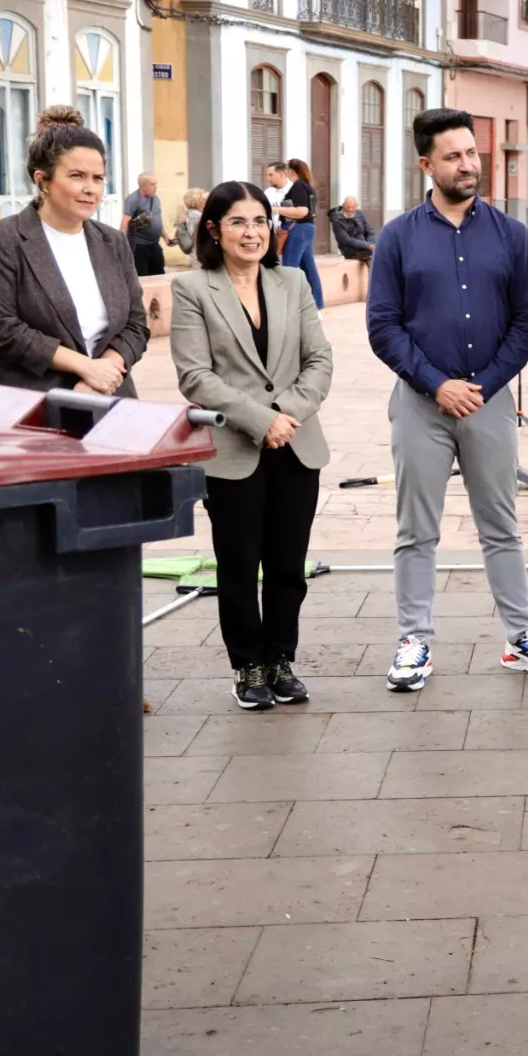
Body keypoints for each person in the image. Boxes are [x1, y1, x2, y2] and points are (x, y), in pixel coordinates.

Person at [367, 108, 528, 690]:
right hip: (419, 401)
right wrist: (437, 385)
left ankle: (522, 636)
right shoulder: (398, 237)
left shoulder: (510, 234)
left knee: (501, 524)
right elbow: (383, 326)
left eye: (472, 153)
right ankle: (415, 642)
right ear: (426, 164)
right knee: (417, 528)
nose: (467, 164)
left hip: (489, 400)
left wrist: (483, 385)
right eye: (453, 156)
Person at [171, 181, 334, 710]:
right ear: (214, 230)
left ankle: (281, 658)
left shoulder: (292, 283)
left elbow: (320, 361)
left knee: (288, 564)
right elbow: (195, 375)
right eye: (238, 222)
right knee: (238, 565)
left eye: (260, 220)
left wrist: (286, 416)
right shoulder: (193, 289)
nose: (252, 231)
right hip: (233, 449)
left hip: (296, 444)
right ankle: (249, 666)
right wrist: (260, 420)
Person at [0, 108, 149, 395]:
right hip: (30, 401)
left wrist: (103, 373)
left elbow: (136, 324)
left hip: (110, 395)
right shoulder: (1, 239)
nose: (91, 189)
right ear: (43, 180)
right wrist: (85, 368)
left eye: (98, 178)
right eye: (77, 176)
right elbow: (0, 328)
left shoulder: (112, 241)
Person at [269, 159, 324, 307]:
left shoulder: (298, 186)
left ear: (291, 171)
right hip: (306, 229)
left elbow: (302, 211)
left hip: (297, 229)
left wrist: (277, 209)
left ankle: (290, 305)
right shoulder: (307, 186)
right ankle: (316, 303)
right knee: (308, 268)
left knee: (289, 268)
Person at [124, 173, 166, 277]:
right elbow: (125, 221)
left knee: (159, 273)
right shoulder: (133, 199)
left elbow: (158, 220)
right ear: (143, 186)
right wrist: (122, 241)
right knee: (142, 275)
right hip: (139, 245)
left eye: (156, 184)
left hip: (154, 244)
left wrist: (166, 237)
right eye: (152, 184)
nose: (155, 187)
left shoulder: (155, 199)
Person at [329, 193, 376, 264]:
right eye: (348, 207)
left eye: (353, 207)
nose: (350, 210)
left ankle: (374, 274)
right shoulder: (337, 219)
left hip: (365, 248)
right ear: (343, 205)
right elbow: (345, 240)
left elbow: (370, 232)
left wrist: (372, 244)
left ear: (356, 206)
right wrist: (367, 246)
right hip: (350, 250)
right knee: (373, 256)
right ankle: (374, 274)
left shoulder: (359, 214)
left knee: (379, 253)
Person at [170, 186, 209, 263]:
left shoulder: (191, 213)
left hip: (197, 254)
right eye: (204, 200)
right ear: (197, 201)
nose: (206, 202)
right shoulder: (196, 215)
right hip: (199, 255)